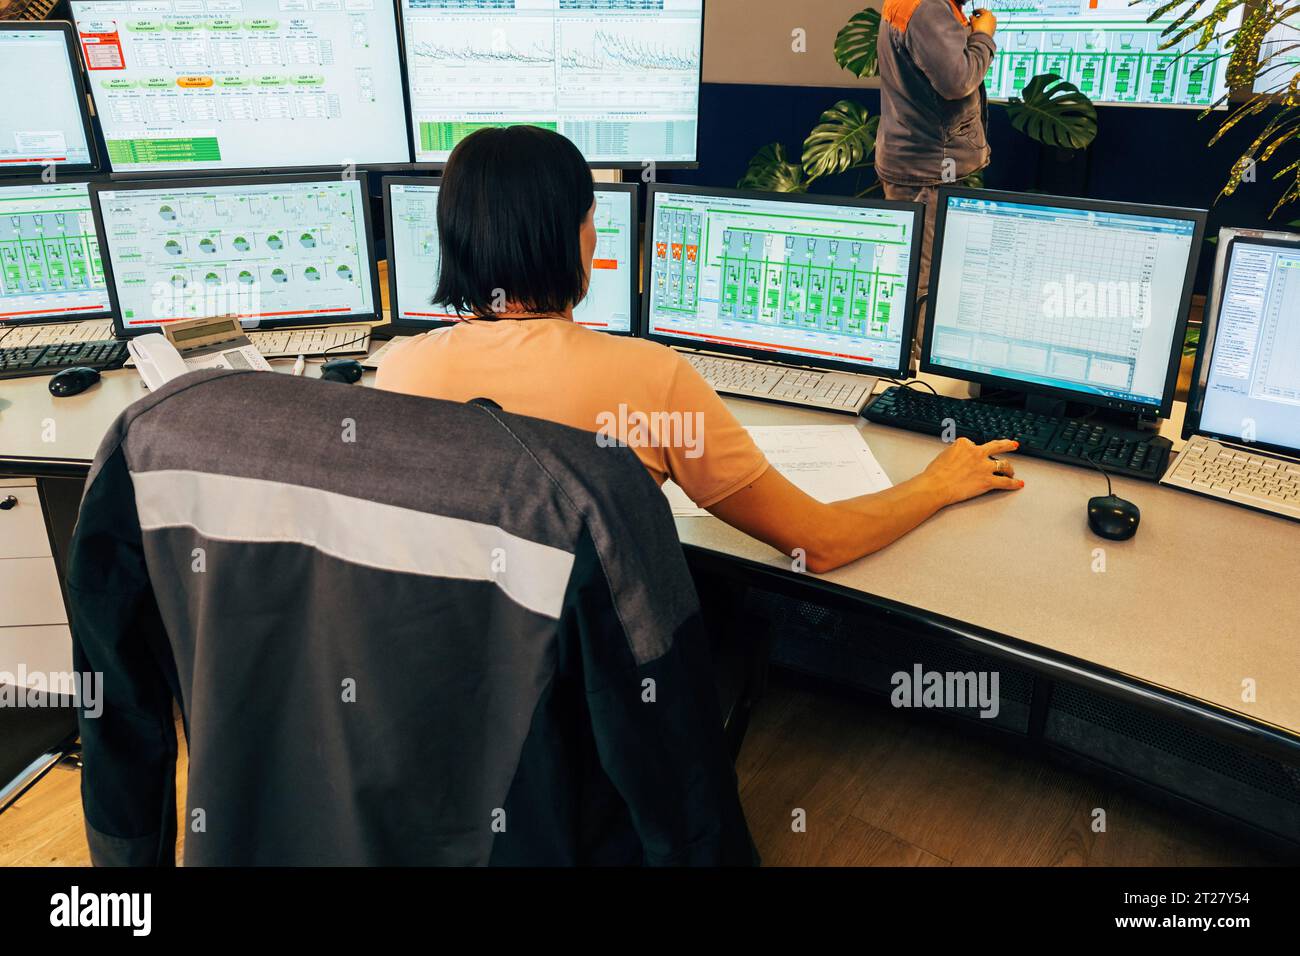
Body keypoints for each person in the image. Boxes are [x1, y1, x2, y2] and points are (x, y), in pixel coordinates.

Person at [377, 126, 1022, 573]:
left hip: (450, 688)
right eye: (591, 218)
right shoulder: (648, 378)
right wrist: (936, 482)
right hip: (598, 690)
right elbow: (817, 543)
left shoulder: (401, 369)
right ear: (574, 238)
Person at [877, 0, 998, 302]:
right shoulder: (927, 7)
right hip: (928, 171)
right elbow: (957, 81)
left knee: (918, 273)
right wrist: (983, 36)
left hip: (918, 163)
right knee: (924, 284)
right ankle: (917, 347)